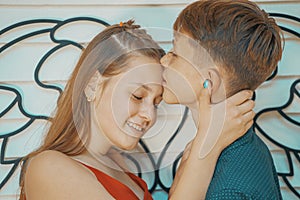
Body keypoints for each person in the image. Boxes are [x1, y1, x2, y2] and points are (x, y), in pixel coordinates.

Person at [19, 20, 254, 200]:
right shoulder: (48, 167)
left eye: (156, 102)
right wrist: (207, 144)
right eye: (138, 96)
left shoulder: (120, 168)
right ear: (93, 84)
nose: (149, 115)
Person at [161, 0, 283, 199]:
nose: (163, 60)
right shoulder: (242, 146)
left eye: (174, 54)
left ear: (208, 82)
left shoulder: (227, 190)